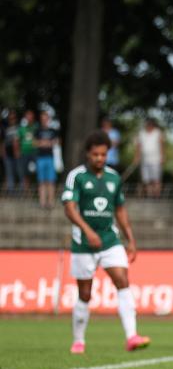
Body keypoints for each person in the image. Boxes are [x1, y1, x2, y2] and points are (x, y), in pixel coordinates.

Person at [61, 131, 149, 354]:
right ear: (87, 154)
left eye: (103, 154)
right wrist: (88, 231)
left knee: (122, 279)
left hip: (110, 239)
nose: (99, 158)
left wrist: (130, 238)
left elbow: (119, 210)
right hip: (83, 243)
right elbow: (70, 208)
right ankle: (78, 340)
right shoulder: (77, 177)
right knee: (85, 293)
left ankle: (132, 336)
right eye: (95, 155)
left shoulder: (113, 178)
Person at [34, 111, 59, 209]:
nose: (44, 120)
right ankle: (42, 203)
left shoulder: (53, 130)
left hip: (50, 158)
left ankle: (51, 203)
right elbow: (35, 143)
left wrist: (43, 143)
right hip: (40, 158)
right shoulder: (37, 130)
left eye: (46, 118)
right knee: (41, 181)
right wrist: (46, 143)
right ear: (41, 119)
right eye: (42, 118)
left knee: (50, 181)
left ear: (48, 119)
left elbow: (56, 142)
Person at [136, 118, 164, 198]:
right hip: (145, 160)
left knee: (156, 179)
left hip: (156, 160)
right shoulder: (142, 133)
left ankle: (157, 196)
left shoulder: (158, 133)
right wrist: (137, 156)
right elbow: (139, 146)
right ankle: (149, 196)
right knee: (146, 180)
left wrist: (162, 157)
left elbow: (162, 145)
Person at [2, 110, 20, 193]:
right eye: (10, 118)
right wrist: (3, 152)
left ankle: (21, 191)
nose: (12, 119)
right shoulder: (5, 128)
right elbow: (2, 141)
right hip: (8, 154)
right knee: (9, 173)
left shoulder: (18, 127)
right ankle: (11, 191)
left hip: (18, 154)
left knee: (19, 172)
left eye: (13, 118)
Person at [17, 110, 36, 192]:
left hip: (35, 153)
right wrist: (17, 151)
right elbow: (17, 140)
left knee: (34, 172)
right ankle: (25, 191)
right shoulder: (22, 129)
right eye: (28, 116)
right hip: (24, 153)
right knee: (24, 173)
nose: (29, 118)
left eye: (31, 116)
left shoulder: (36, 127)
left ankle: (35, 191)